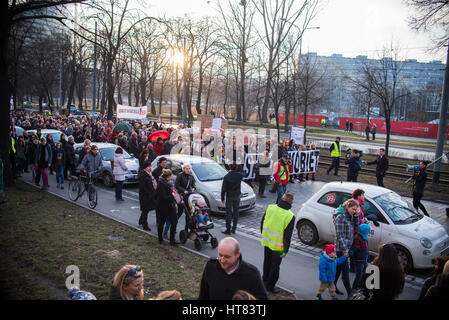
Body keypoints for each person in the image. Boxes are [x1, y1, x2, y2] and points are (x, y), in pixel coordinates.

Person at [198, 237, 267, 300]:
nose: (222, 260)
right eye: (220, 255)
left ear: (238, 254)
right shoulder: (211, 267)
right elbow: (203, 294)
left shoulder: (252, 274)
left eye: (227, 257)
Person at [260, 192, 295, 294]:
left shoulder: (270, 207)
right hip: (278, 246)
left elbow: (262, 222)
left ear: (282, 198)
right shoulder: (290, 216)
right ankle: (270, 287)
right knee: (275, 267)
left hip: (267, 240)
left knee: (267, 261)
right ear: (291, 203)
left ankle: (265, 279)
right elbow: (287, 236)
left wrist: (264, 234)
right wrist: (285, 250)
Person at [333, 199, 360, 297]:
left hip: (347, 247)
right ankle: (350, 294)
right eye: (353, 209)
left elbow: (356, 228)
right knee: (345, 271)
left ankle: (333, 286)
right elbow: (339, 234)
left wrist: (356, 218)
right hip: (341, 248)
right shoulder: (340, 217)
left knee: (338, 269)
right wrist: (345, 251)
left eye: (356, 209)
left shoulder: (351, 216)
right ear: (347, 207)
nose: (354, 211)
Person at [155, 169, 179, 245]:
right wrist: (172, 195)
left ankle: (172, 240)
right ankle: (160, 239)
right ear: (167, 176)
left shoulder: (170, 183)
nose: (171, 177)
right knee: (161, 223)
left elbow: (172, 192)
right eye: (170, 176)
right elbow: (162, 197)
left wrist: (174, 198)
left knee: (174, 221)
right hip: (163, 206)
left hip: (171, 205)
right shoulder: (161, 184)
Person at [221, 163, 244, 235]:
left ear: (230, 167)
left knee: (228, 213)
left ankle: (228, 229)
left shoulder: (226, 177)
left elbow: (223, 189)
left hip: (229, 196)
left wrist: (222, 198)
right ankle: (234, 228)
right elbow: (242, 171)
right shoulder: (239, 175)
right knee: (236, 212)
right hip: (237, 195)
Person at [349, 223, 370, 293]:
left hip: (364, 259)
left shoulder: (364, 238)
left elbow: (366, 248)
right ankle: (354, 288)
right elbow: (354, 248)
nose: (369, 233)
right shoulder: (358, 238)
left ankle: (361, 285)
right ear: (365, 231)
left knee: (366, 271)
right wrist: (350, 253)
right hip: (359, 260)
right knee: (359, 275)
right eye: (368, 231)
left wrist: (368, 256)